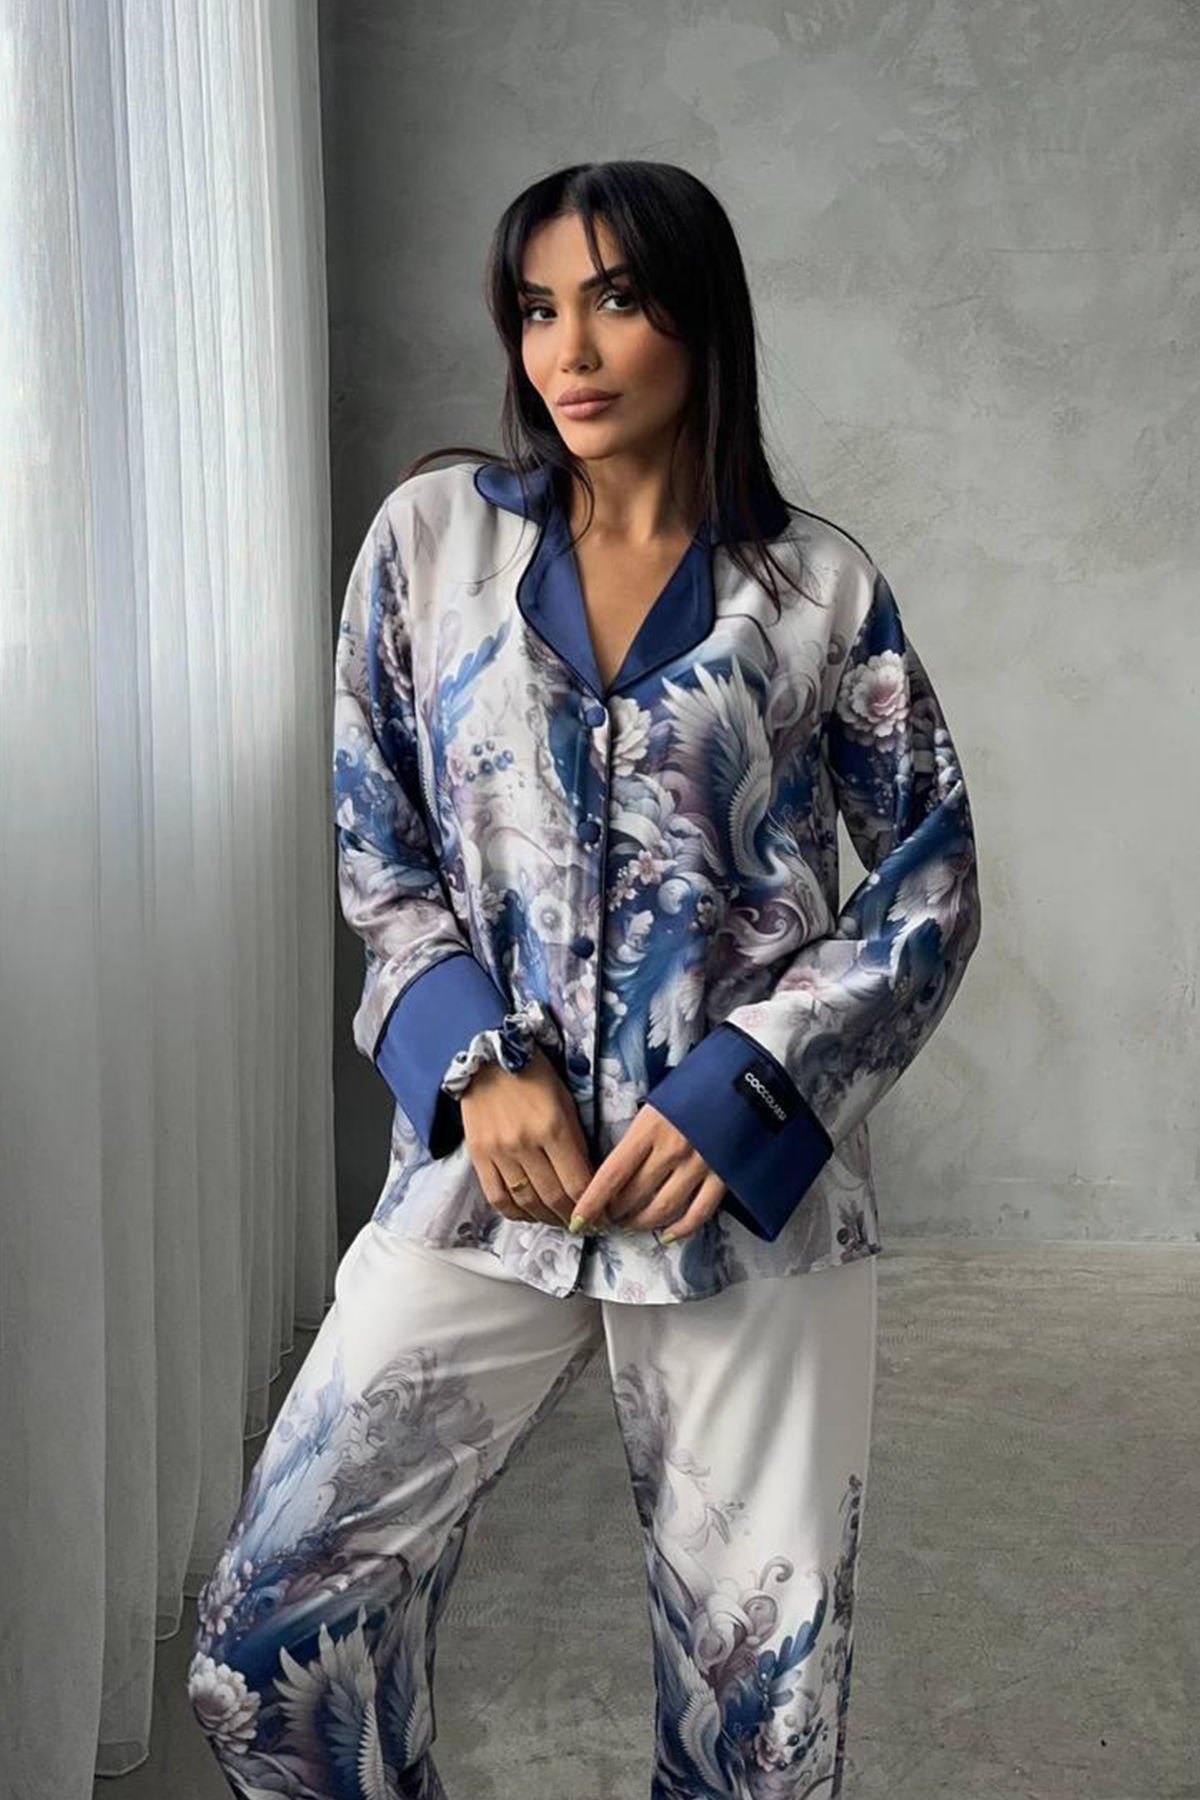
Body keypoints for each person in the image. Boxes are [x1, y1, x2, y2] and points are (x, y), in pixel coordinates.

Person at [188, 159, 982, 1798]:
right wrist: (474, 1059)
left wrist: (748, 1090)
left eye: (616, 299)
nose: (571, 346)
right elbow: (378, 841)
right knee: (271, 1649)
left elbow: (930, 884)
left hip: (739, 1215)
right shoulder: (429, 544)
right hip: (489, 1184)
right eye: (539, 307)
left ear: (701, 320)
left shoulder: (816, 591)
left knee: (759, 1732)